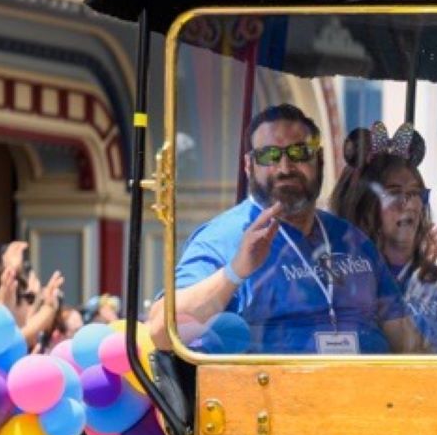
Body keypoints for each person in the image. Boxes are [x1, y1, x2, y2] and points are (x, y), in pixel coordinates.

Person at [153, 103, 421, 355]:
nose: (284, 167)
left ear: (320, 160)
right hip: (274, 398)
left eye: (299, 153)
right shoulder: (224, 238)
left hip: (372, 394)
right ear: (249, 166)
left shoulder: (350, 239)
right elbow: (161, 332)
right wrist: (235, 272)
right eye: (269, 155)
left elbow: (403, 337)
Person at [332, 127, 437, 354]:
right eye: (394, 193)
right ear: (362, 206)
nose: (411, 204)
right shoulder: (342, 277)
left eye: (415, 193)